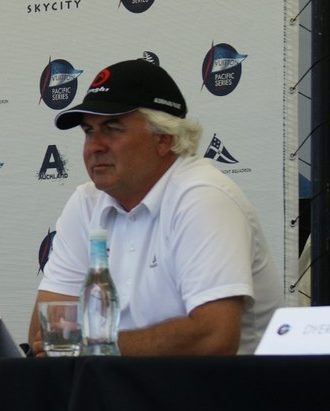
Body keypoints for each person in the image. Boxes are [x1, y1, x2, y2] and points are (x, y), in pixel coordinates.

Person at [28, 59, 280, 356]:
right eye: (88, 131)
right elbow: (43, 336)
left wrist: (93, 346)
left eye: (111, 129)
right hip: (119, 393)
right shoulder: (86, 203)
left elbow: (214, 337)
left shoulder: (203, 197)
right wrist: (81, 347)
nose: (93, 147)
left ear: (164, 139)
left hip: (215, 397)